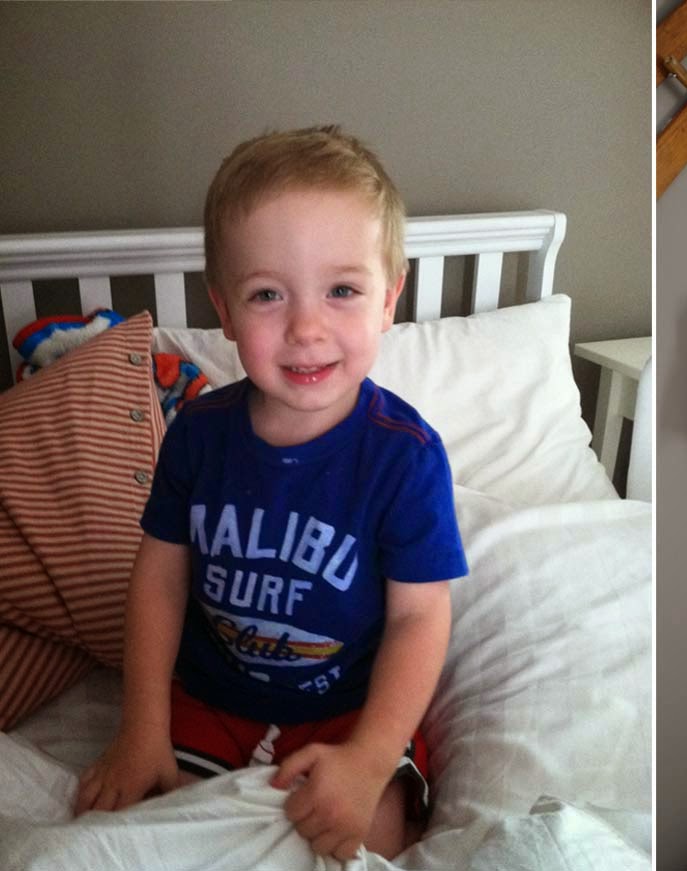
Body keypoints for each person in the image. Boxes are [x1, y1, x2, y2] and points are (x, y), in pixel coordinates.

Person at [73, 125, 467, 860]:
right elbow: (159, 580)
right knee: (146, 824)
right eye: (266, 295)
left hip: (350, 708)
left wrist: (370, 757)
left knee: (368, 835)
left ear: (389, 299)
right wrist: (141, 728)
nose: (306, 328)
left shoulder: (405, 459)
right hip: (211, 696)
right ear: (224, 311)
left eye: (342, 290)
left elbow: (419, 618)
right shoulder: (197, 435)